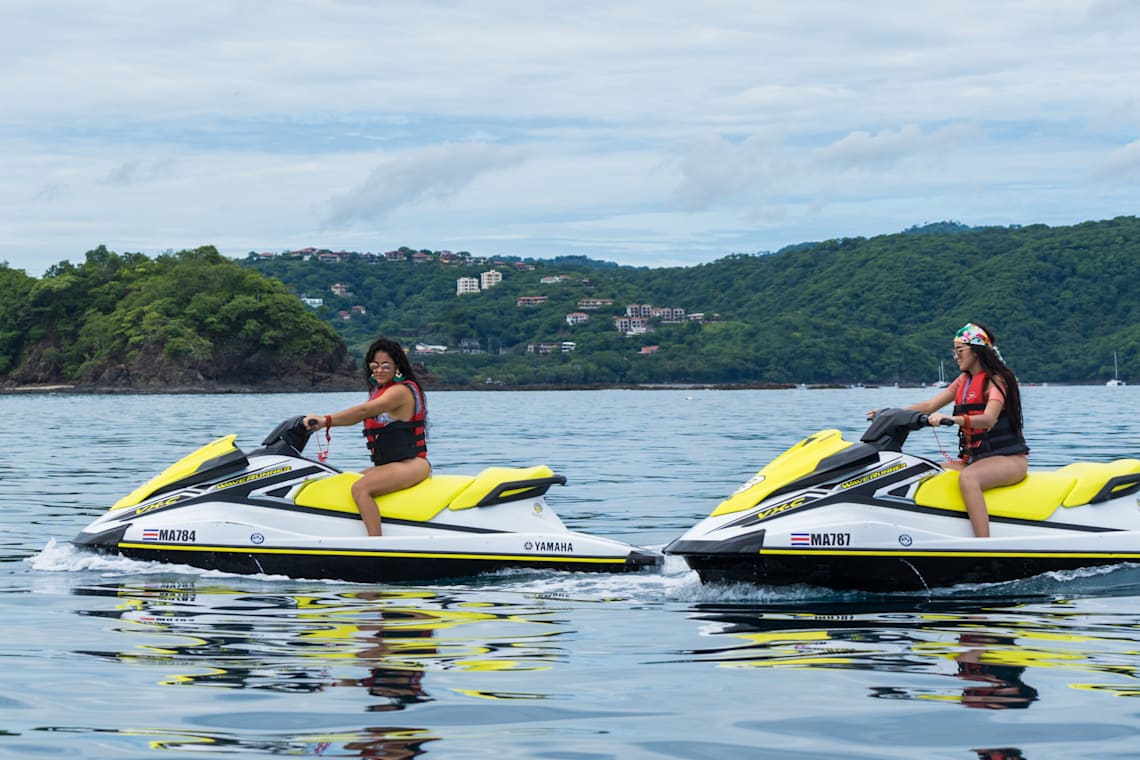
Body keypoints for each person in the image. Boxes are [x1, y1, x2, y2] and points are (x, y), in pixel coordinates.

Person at [870, 322, 1028, 537]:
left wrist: (953, 419)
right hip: (974, 460)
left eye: (960, 350)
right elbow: (929, 406)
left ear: (976, 350)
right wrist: (888, 413)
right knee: (923, 471)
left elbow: (989, 419)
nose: (955, 356)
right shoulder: (964, 380)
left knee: (969, 479)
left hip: (1009, 461)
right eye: (954, 351)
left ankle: (983, 544)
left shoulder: (996, 381)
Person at [305, 337, 429, 536]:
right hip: (390, 465)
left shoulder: (400, 391)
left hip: (412, 464)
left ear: (397, 366)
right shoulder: (380, 391)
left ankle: (375, 544)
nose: (379, 370)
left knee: (360, 489)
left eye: (385, 365)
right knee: (341, 483)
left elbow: (363, 411)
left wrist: (325, 420)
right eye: (375, 365)